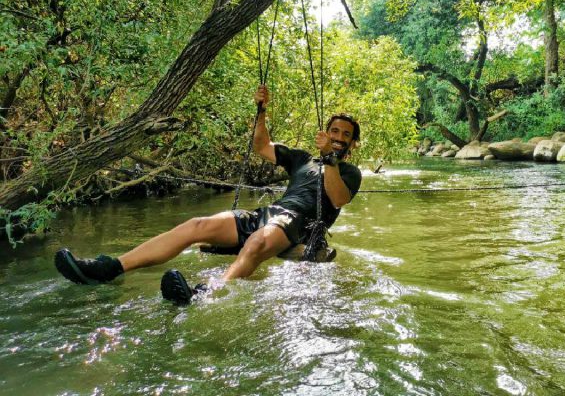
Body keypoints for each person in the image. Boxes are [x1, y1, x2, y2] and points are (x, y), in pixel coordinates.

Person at [54, 84, 363, 305]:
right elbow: (261, 146)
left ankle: (206, 294)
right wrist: (261, 111)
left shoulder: (349, 172)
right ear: (326, 133)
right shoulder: (301, 158)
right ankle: (110, 268)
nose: (338, 138)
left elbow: (337, 199)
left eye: (345, 135)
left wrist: (331, 159)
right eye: (334, 132)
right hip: (271, 213)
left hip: (300, 225)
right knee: (196, 226)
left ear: (353, 144)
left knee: (257, 241)